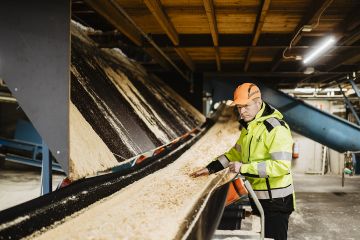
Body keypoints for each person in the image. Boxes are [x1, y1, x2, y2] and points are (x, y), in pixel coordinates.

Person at [190, 83, 295, 240]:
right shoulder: (249, 128)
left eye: (246, 106)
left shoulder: (275, 129)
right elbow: (234, 154)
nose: (242, 111)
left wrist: (244, 168)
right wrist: (210, 168)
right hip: (259, 197)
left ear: (258, 103)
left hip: (276, 201)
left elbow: (281, 167)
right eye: (239, 107)